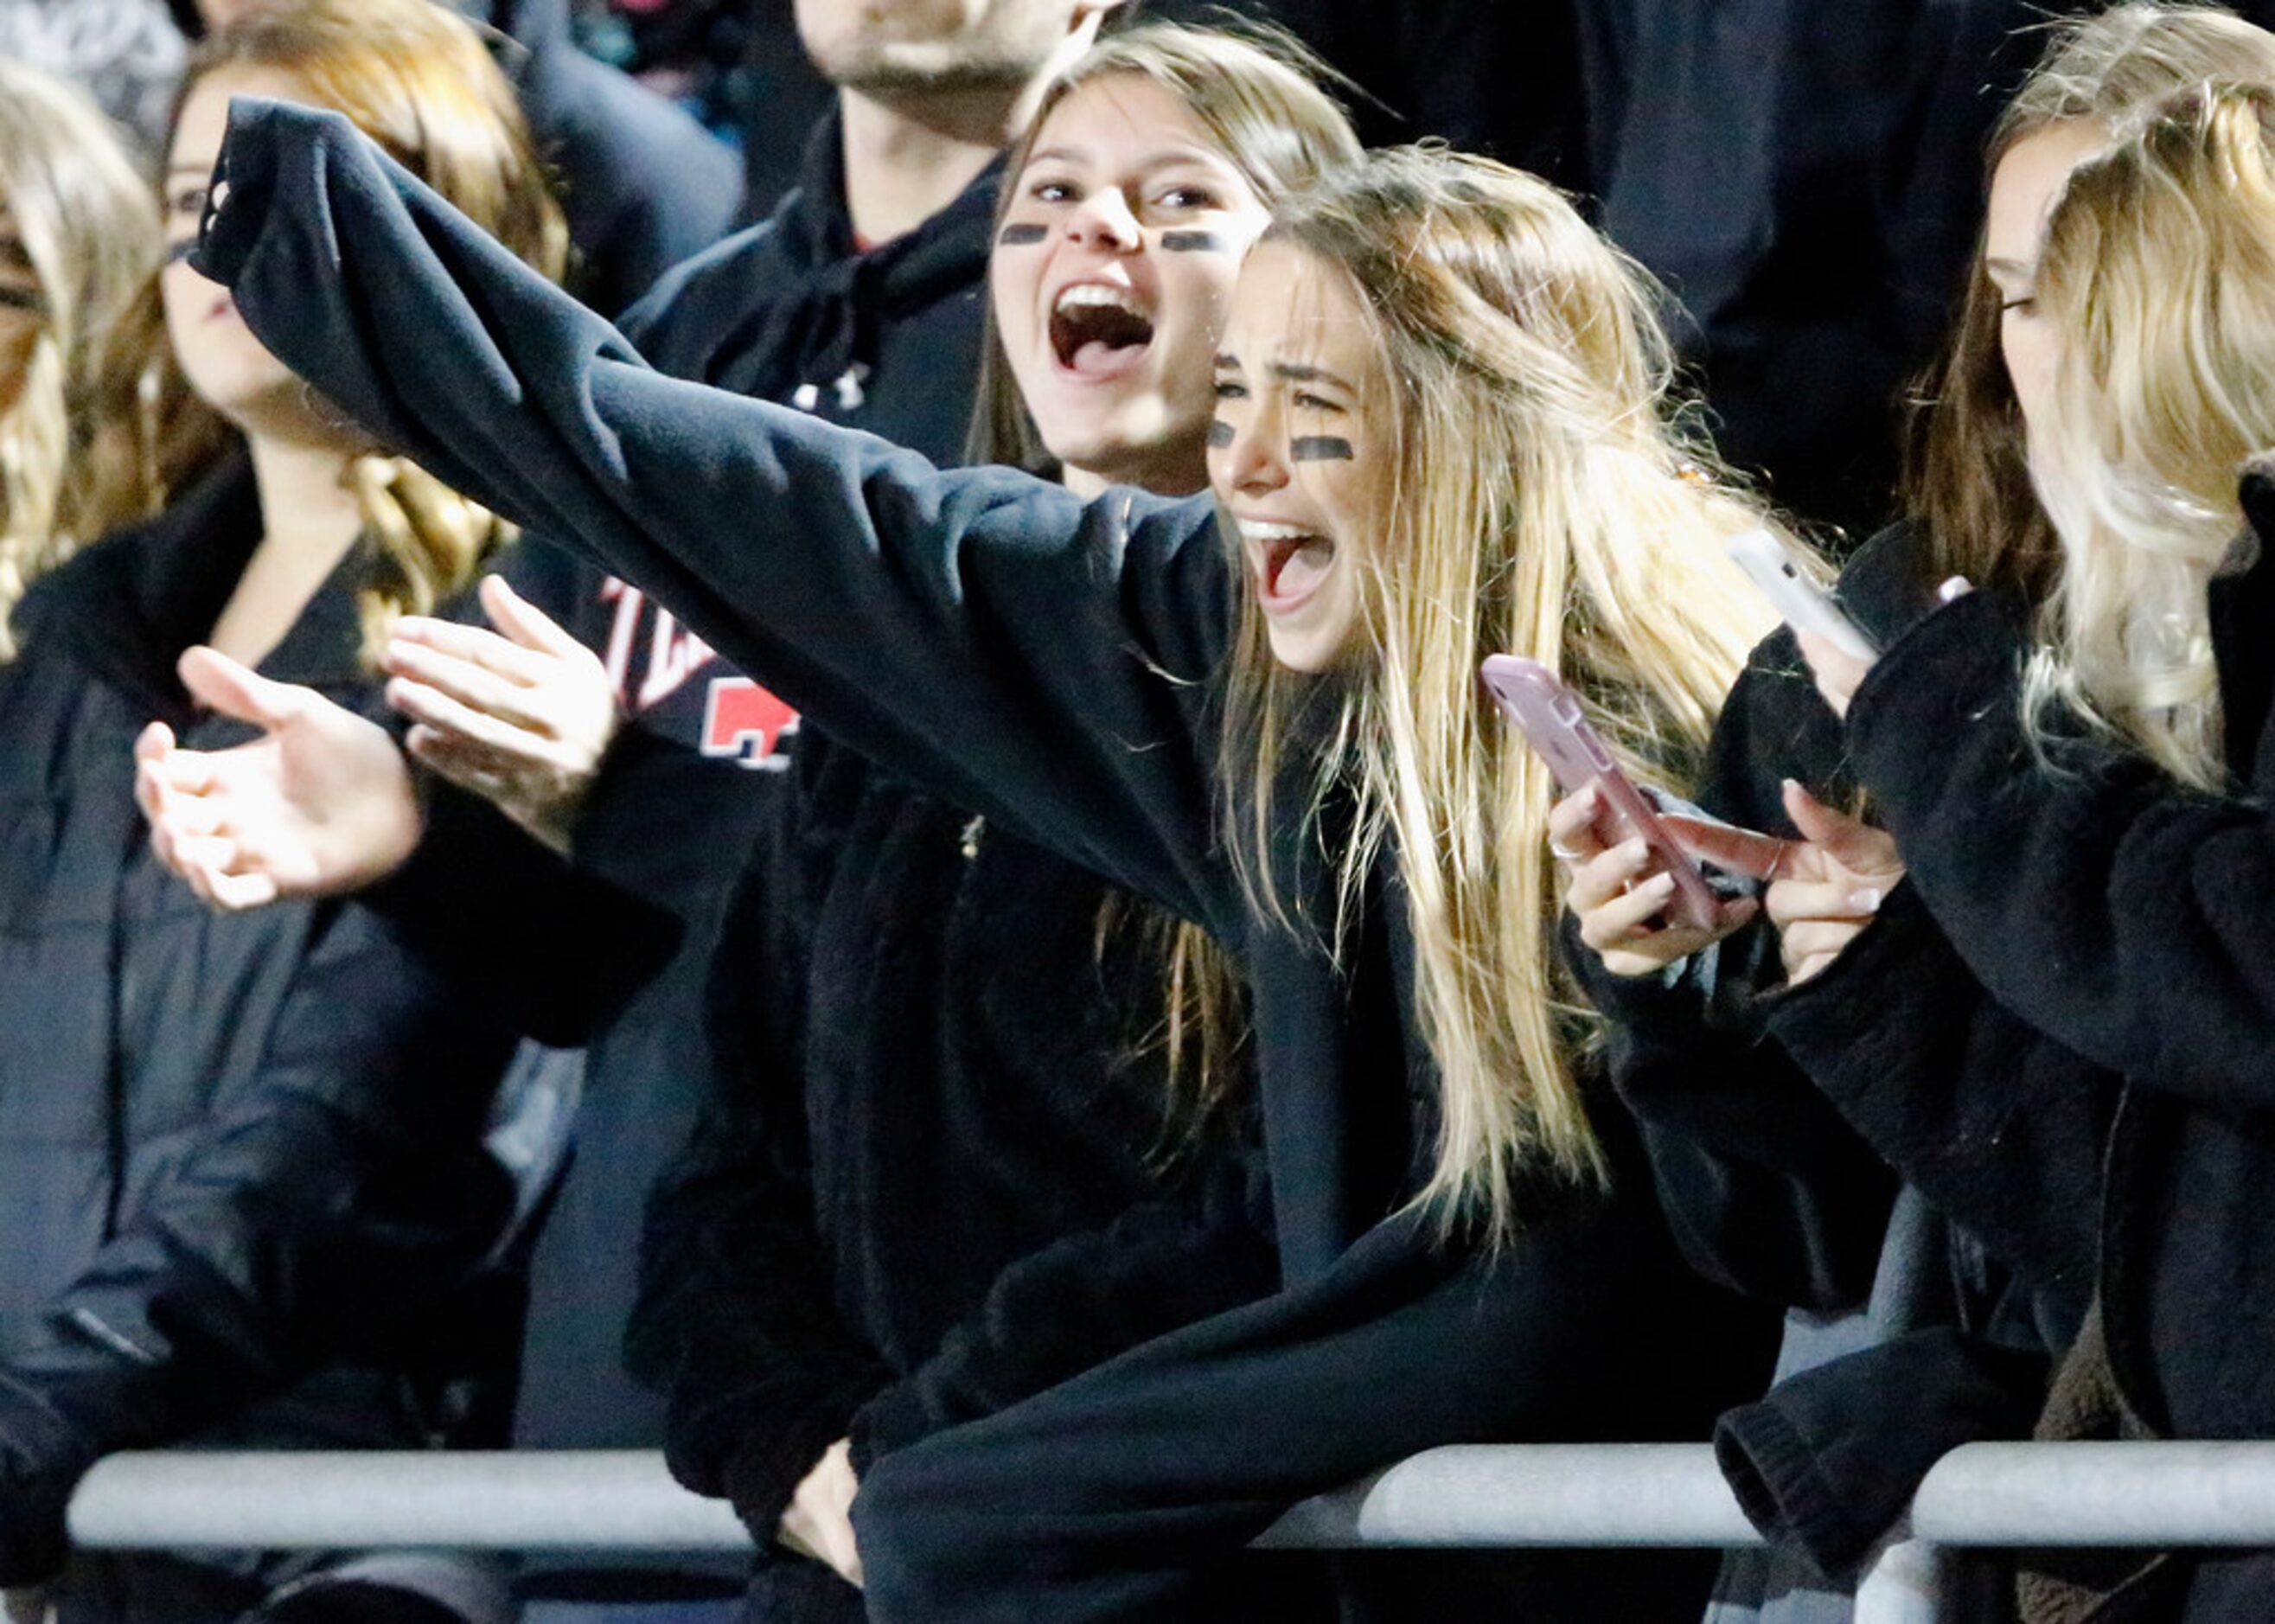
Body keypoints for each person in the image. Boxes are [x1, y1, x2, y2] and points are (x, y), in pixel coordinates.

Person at [155, 101, 1806, 1614]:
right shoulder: (1191, 626)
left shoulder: (1720, 684)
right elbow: (775, 508)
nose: (1242, 465)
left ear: (1474, 423)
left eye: (1305, 408)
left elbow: (1685, 1252)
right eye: (1237, 402)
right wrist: (821, 1447)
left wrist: (1677, 998)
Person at [623, 27, 1358, 1620]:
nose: (1097, 235)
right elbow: (728, 1168)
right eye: (1047, 203)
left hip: (1167, 1564)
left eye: (1178, 202)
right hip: (859, 1558)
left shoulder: (1343, 700)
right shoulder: (879, 707)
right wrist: (793, 1444)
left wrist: (926, 1447)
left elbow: (1300, 1193)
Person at [1558, 5, 2275, 1616]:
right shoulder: (1908, 641)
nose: (2050, 351)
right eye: (2019, 295)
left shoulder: (1941, 686)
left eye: (2113, 279)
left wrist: (1963, 794)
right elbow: (1793, 1232)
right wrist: (1702, 978)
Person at [0, 5, 565, 1621]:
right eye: (193, 205)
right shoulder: (81, 643)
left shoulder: (523, 630)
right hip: (71, 1510)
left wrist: (46, 1409)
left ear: (454, 218)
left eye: (293, 187)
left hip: (349, 1515)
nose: (226, 247)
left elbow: (374, 1128)